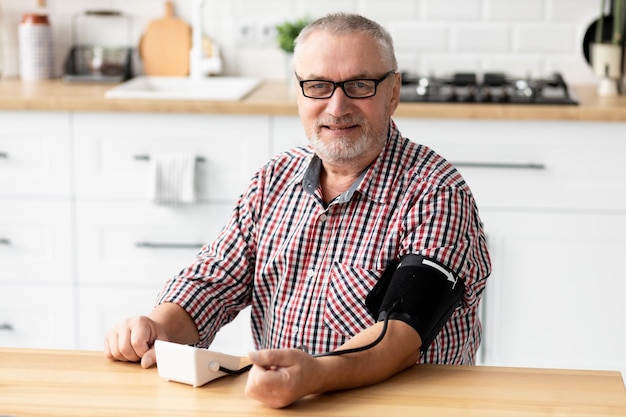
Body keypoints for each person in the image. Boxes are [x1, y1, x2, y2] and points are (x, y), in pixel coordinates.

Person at [104, 12, 491, 409]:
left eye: (360, 85)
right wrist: (156, 327)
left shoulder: (437, 193)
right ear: (299, 92)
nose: (337, 107)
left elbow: (400, 336)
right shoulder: (272, 180)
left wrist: (315, 375)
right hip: (288, 404)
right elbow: (211, 284)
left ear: (393, 91)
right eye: (318, 86)